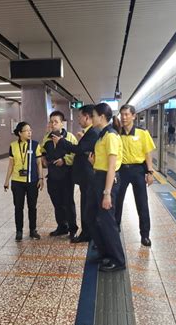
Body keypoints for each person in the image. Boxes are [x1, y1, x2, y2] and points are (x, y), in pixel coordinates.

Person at [52, 105, 99, 243]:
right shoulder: (88, 133)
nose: (78, 119)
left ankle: (87, 234)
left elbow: (79, 149)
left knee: (86, 206)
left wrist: (61, 141)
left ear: (87, 117)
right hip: (84, 176)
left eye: (79, 117)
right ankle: (86, 232)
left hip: (88, 176)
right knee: (85, 204)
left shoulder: (93, 132)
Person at [89, 103, 126, 272]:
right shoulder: (102, 135)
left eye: (94, 116)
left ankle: (118, 260)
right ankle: (106, 253)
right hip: (99, 176)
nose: (92, 119)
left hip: (107, 180)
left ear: (102, 117)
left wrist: (107, 194)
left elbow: (112, 166)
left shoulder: (110, 136)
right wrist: (93, 162)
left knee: (107, 221)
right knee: (95, 218)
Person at [115, 105, 156, 247]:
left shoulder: (142, 133)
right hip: (121, 171)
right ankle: (115, 230)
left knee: (142, 203)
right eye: (122, 115)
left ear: (133, 116)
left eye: (126, 114)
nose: (124, 117)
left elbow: (147, 153)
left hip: (138, 170)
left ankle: (145, 235)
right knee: (117, 202)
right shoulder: (117, 133)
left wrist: (150, 172)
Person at [4, 122, 44, 241]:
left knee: (32, 207)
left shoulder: (35, 145)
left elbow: (39, 163)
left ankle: (33, 230)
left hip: (32, 181)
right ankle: (19, 231)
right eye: (26, 130)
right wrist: (6, 181)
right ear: (20, 133)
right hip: (17, 182)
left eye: (30, 130)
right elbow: (11, 164)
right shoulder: (13, 146)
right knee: (18, 207)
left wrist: (41, 178)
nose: (29, 132)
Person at [41, 111, 78, 238]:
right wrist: (44, 160)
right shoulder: (47, 137)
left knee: (68, 203)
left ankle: (72, 228)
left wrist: (64, 160)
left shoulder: (70, 137)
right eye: (51, 122)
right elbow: (42, 151)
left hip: (66, 176)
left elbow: (75, 155)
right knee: (57, 203)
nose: (53, 124)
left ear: (62, 123)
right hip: (52, 176)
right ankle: (62, 227)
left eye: (55, 122)